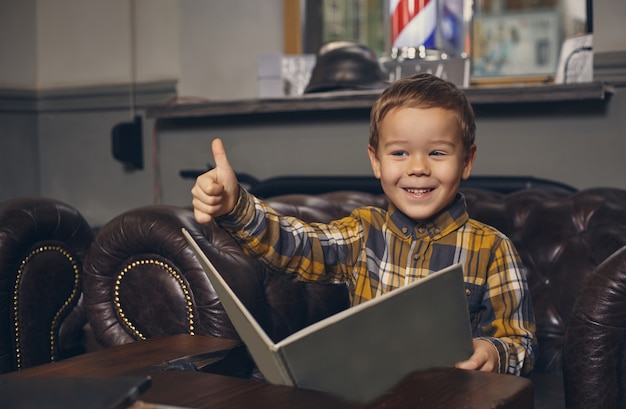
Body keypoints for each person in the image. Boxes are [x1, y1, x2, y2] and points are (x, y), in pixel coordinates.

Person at [191, 73, 537, 376]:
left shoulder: (492, 248)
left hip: (452, 401)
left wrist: (494, 352)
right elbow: (295, 246)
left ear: (467, 161)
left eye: (437, 153)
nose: (418, 167)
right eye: (399, 153)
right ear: (376, 160)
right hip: (370, 397)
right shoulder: (362, 232)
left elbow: (520, 343)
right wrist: (235, 205)